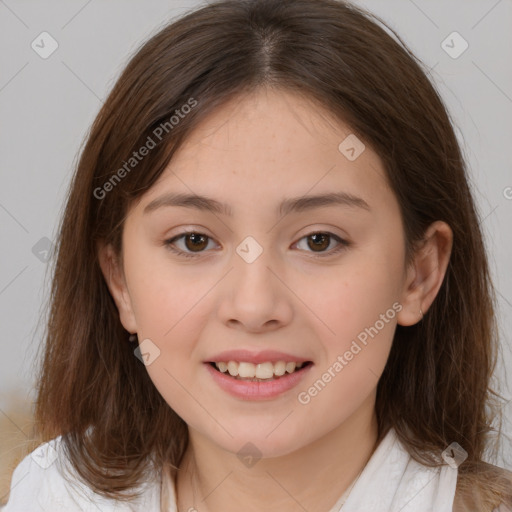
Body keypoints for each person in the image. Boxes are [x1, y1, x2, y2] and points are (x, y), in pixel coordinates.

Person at [2, 0, 511, 510]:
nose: (253, 305)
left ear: (418, 275)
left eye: (319, 240)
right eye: (193, 240)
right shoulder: (50, 494)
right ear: (119, 279)